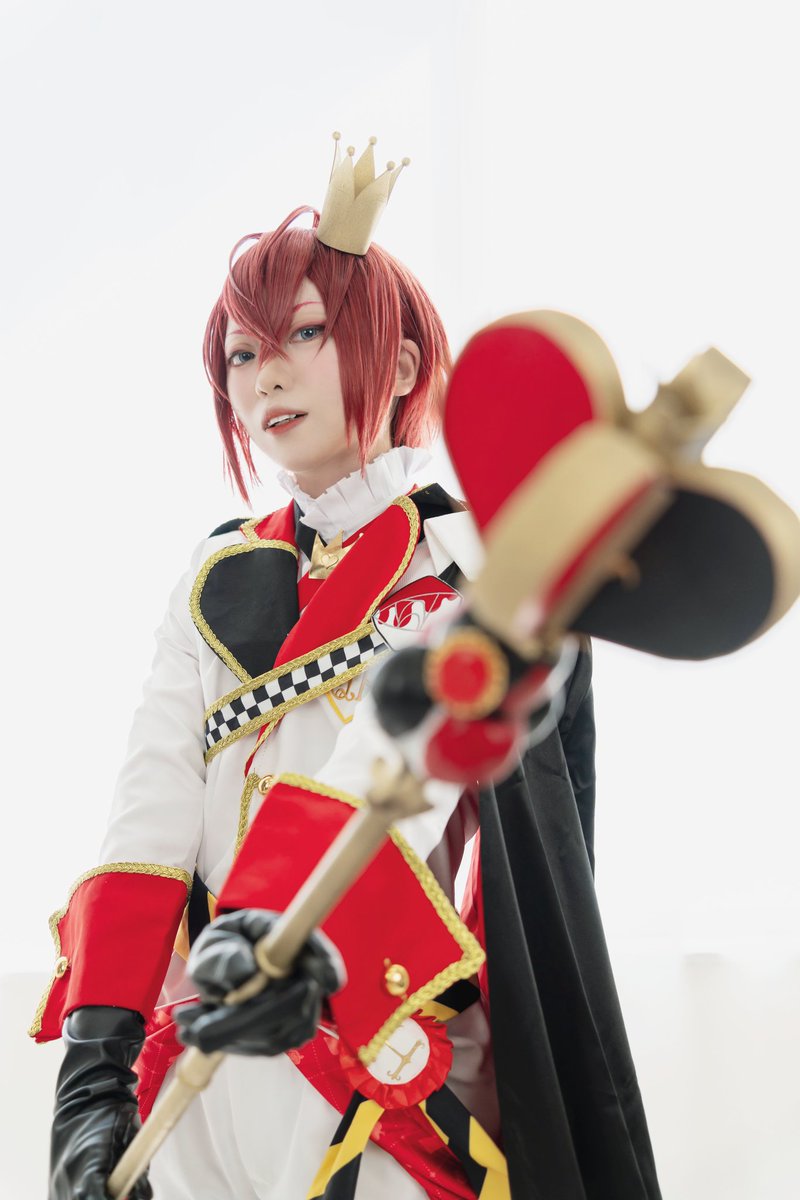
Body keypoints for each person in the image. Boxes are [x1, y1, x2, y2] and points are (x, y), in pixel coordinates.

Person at [33, 138, 662, 1200]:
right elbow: (150, 807)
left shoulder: (474, 562)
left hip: (379, 1044)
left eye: (305, 333)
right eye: (241, 353)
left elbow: (401, 764)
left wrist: (278, 927)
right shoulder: (213, 578)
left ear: (402, 367)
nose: (265, 373)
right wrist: (94, 1072)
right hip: (197, 1061)